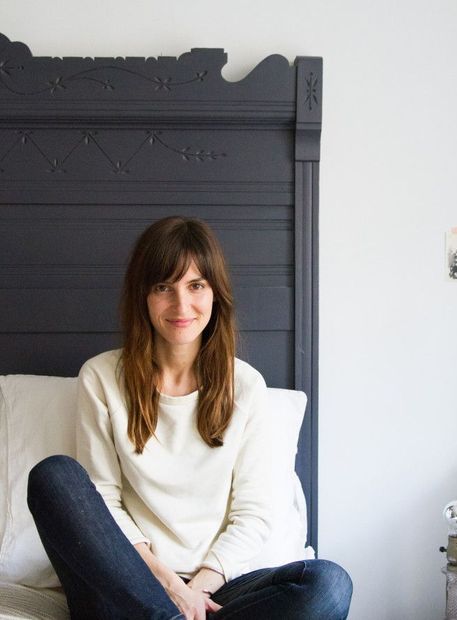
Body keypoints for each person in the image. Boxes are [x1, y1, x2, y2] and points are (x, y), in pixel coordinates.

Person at [27, 216, 352, 619]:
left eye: (196, 285)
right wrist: (167, 586)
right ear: (143, 296)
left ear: (215, 293)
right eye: (164, 287)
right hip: (128, 579)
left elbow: (254, 513)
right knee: (54, 476)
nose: (181, 305)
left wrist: (194, 590)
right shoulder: (101, 377)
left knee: (328, 584)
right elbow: (104, 501)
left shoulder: (246, 386)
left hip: (216, 586)